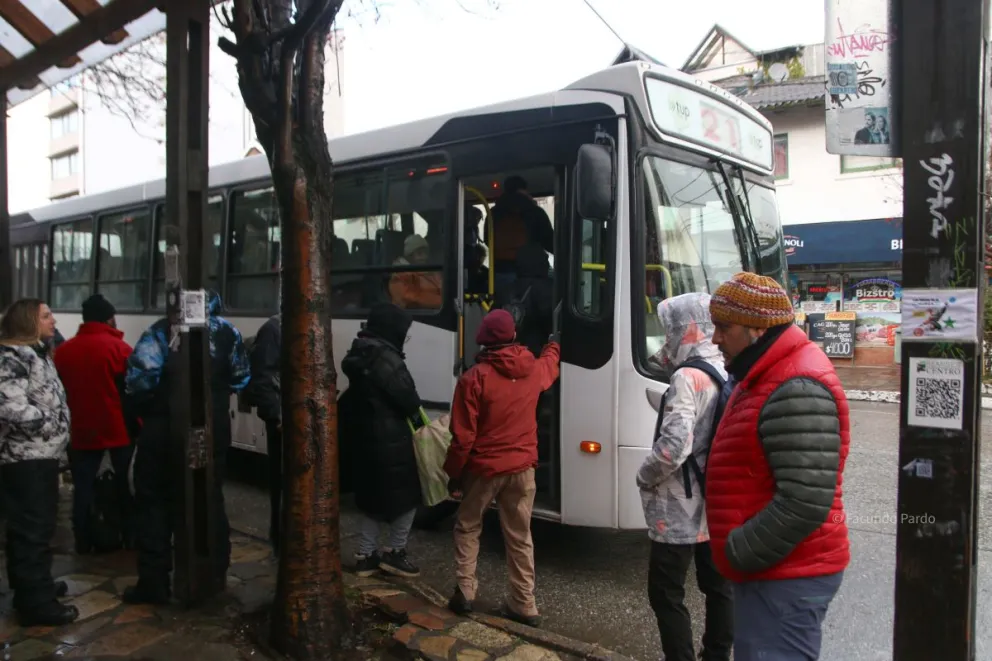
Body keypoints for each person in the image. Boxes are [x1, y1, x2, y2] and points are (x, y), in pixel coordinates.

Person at [705, 272, 850, 661]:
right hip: (775, 570)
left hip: (785, 575)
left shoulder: (796, 383)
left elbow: (804, 500)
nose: (715, 338)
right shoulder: (765, 371)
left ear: (757, 329)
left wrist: (739, 551)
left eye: (724, 327)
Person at [122, 290, 250, 604]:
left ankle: (154, 581)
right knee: (209, 498)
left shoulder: (160, 332)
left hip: (163, 430)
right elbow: (241, 377)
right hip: (212, 427)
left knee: (154, 503)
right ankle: (212, 576)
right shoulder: (227, 333)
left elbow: (139, 379)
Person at [444, 309, 560, 628]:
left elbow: (462, 438)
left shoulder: (473, 379)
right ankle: (524, 603)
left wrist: (454, 474)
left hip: (484, 469)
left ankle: (465, 591)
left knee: (468, 526)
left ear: (483, 338)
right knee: (519, 535)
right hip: (523, 468)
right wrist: (553, 345)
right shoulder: (532, 369)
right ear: (514, 335)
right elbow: (549, 366)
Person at [636, 293, 733, 661]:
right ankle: (717, 654)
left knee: (665, 591)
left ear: (685, 328)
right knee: (718, 587)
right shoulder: (724, 368)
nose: (668, 337)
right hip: (716, 500)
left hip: (678, 505)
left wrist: (644, 475)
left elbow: (674, 447)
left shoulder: (687, 377)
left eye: (671, 329)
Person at [0, 299, 79, 626]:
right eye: (46, 316)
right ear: (28, 321)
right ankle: (36, 603)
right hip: (26, 460)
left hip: (40, 456)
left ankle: (35, 586)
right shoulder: (12, 358)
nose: (53, 320)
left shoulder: (36, 353)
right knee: (32, 531)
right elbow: (9, 407)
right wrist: (49, 423)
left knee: (37, 528)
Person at [341, 303, 425, 579]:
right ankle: (395, 552)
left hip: (365, 439)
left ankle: (366, 556)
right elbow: (409, 401)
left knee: (372, 498)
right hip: (391, 441)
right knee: (409, 497)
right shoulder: (387, 360)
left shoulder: (360, 353)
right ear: (392, 329)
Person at [52, 294, 136, 555]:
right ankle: (127, 535)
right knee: (123, 484)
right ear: (109, 319)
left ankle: (83, 538)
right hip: (117, 429)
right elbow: (132, 391)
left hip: (80, 430)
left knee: (83, 486)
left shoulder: (64, 351)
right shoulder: (120, 349)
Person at [244, 313, 283, 555]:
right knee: (283, 483)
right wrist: (276, 415)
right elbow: (263, 377)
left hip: (302, 419)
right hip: (283, 420)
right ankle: (280, 543)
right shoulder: (274, 329)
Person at [487, 176, 554, 290]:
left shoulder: (493, 213)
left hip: (499, 271)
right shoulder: (534, 211)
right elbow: (549, 240)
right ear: (524, 190)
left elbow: (488, 239)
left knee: (503, 299)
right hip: (529, 273)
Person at [494, 241, 553, 358]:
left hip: (509, 354)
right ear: (541, 262)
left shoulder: (505, 290)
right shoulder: (549, 289)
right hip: (538, 355)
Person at [388, 234, 442, 310]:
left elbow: (443, 287)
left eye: (426, 253)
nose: (424, 257)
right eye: (419, 253)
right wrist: (442, 301)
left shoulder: (431, 270)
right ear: (409, 256)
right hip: (414, 314)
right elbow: (412, 298)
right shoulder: (399, 276)